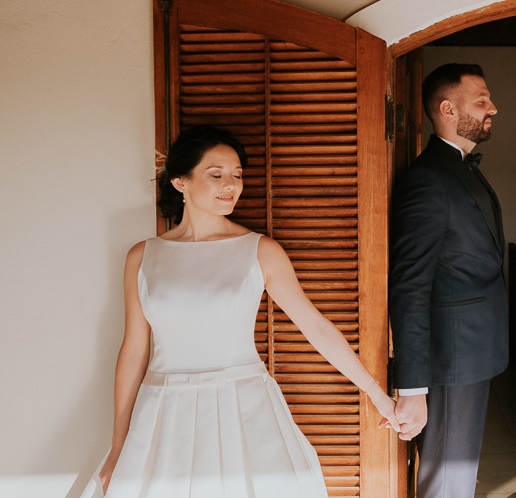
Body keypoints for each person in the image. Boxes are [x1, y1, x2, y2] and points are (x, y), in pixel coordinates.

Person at [81, 127, 398, 497]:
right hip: (163, 410)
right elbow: (134, 350)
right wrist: (118, 446)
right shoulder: (142, 256)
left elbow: (315, 327)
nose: (231, 185)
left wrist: (376, 393)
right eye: (216, 175)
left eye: (237, 175)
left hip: (243, 406)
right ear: (181, 181)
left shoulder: (259, 250)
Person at [389, 63, 507, 498]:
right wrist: (413, 387)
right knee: (447, 483)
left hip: (470, 354)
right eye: (481, 100)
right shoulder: (428, 180)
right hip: (449, 361)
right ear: (447, 109)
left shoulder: (460, 168)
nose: (493, 107)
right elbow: (409, 286)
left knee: (458, 477)